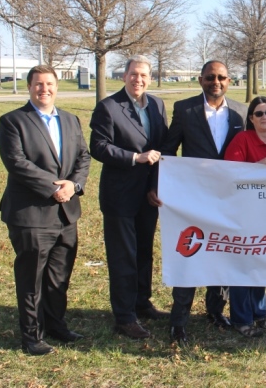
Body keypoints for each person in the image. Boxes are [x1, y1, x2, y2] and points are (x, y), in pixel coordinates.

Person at [0, 65, 91, 355]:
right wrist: (55, 187)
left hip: (66, 214)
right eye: (38, 84)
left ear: (56, 86)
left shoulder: (70, 120)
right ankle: (32, 337)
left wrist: (74, 185)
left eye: (49, 83)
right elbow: (17, 162)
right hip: (32, 213)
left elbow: (83, 157)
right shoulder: (13, 121)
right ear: (29, 87)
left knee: (58, 277)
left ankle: (56, 325)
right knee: (31, 278)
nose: (44, 89)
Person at [154, 59, 247, 345]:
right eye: (210, 77)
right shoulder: (185, 109)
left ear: (229, 81)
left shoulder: (241, 113)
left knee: (222, 251)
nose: (215, 82)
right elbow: (168, 150)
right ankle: (178, 320)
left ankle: (215, 311)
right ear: (200, 80)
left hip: (229, 198)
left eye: (221, 77)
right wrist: (157, 185)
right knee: (190, 253)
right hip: (192, 198)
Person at [89, 55, 169, 339]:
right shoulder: (109, 107)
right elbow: (98, 147)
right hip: (120, 196)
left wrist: (157, 185)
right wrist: (136, 157)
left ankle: (141, 303)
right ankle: (124, 317)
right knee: (123, 256)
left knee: (144, 251)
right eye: (134, 74)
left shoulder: (157, 105)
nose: (139, 80)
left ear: (150, 77)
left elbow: (161, 147)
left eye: (144, 75)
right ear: (124, 76)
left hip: (148, 195)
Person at [223, 96, 266, 337]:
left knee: (260, 262)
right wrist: (257, 166)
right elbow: (229, 173)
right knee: (243, 265)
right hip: (243, 213)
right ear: (250, 118)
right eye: (259, 113)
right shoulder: (242, 139)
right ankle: (242, 319)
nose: (265, 117)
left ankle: (260, 313)